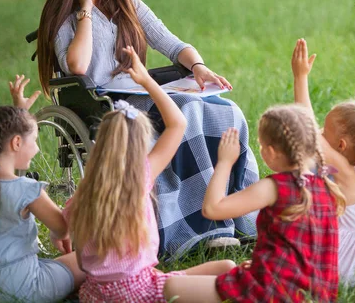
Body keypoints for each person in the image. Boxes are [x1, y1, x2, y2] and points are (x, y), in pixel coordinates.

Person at [36, 0, 258, 256]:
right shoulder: (63, 17)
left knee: (225, 112)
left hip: (142, 92)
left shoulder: (125, 2)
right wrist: (84, 10)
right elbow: (77, 67)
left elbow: (171, 42)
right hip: (106, 104)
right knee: (190, 111)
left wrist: (197, 67)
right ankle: (196, 230)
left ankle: (240, 216)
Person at [65, 47, 235, 303]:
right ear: (140, 146)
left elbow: (63, 233)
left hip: (94, 292)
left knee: (224, 268)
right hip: (139, 289)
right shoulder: (139, 178)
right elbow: (178, 123)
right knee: (231, 271)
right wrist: (145, 80)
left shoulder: (83, 194)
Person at [164, 104, 342, 302]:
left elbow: (212, 209)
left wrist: (224, 162)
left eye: (262, 145)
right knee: (228, 266)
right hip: (316, 295)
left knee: (171, 287)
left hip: (272, 291)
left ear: (272, 152)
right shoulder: (325, 186)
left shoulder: (275, 187)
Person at [292, 41, 355, 285]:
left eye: (325, 133)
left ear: (341, 147)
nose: (320, 135)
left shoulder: (347, 174)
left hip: (350, 269)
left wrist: (300, 78)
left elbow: (306, 129)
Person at [0, 101, 85, 302]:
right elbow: (63, 229)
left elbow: (2, 136)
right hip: (21, 289)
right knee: (92, 258)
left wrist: (19, 111)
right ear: (16, 143)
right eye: (34, 140)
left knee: (55, 264)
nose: (36, 148)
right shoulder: (27, 190)